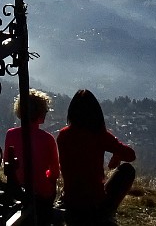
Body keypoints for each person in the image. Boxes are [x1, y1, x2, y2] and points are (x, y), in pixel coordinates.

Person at [56, 89, 136, 224]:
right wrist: (117, 153)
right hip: (94, 203)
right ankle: (106, 214)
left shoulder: (63, 135)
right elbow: (130, 155)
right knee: (127, 170)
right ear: (96, 113)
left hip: (70, 200)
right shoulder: (100, 135)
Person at [3, 89, 60, 222]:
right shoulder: (48, 139)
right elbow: (55, 173)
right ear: (40, 112)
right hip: (42, 194)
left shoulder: (10, 134)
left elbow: (7, 164)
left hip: (17, 190)